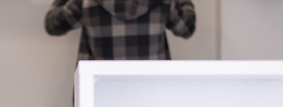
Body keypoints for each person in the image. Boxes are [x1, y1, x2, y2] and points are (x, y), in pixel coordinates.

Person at [44, 0, 196, 60]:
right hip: (153, 100)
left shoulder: (83, 2)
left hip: (97, 103)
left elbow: (52, 24)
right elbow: (187, 28)